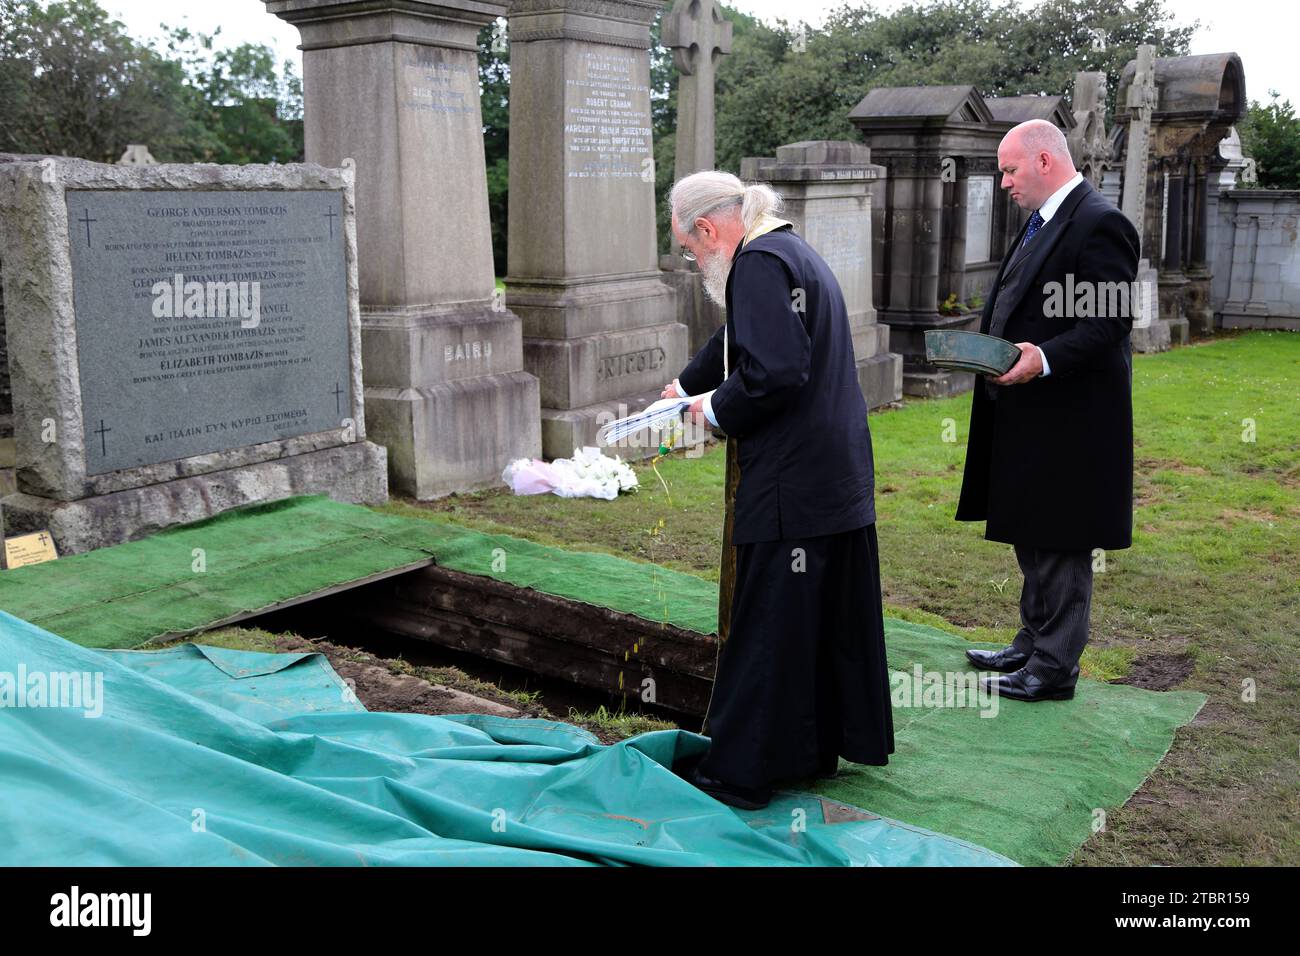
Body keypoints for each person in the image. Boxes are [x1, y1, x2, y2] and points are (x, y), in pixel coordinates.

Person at [661, 170, 894, 810]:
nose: (693, 261)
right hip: (832, 475)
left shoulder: (757, 265)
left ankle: (739, 772)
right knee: (811, 625)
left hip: (794, 481)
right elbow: (740, 336)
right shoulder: (786, 247)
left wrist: (708, 412)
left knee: (767, 624)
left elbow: (774, 373)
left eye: (690, 248)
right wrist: (685, 386)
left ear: (709, 229)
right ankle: (807, 751)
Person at [956, 119, 1140, 702]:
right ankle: (1033, 640)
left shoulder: (1099, 222)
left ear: (1042, 162)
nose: (1004, 181)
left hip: (1071, 418)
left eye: (1010, 169)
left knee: (1060, 537)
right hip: (1026, 410)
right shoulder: (1045, 220)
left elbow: (1109, 323)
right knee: (1029, 526)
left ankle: (1055, 667)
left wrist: (1043, 359)